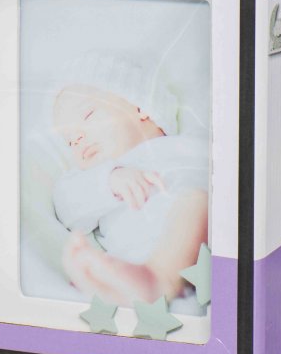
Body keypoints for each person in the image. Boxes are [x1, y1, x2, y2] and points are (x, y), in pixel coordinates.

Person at [51, 53, 208, 306]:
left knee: (198, 201)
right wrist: (108, 180)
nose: (76, 139)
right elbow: (66, 205)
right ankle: (112, 282)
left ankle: (160, 279)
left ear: (141, 107)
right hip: (132, 262)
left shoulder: (185, 146)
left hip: (201, 251)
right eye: (68, 140)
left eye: (88, 115)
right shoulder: (91, 177)